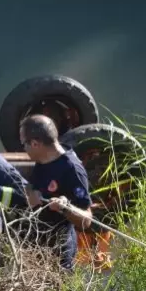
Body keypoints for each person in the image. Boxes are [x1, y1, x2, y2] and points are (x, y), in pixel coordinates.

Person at [19, 114, 93, 270]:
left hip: (59, 250)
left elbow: (87, 220)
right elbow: (33, 186)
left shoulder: (72, 170)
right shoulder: (43, 160)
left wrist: (65, 208)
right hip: (37, 243)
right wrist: (31, 192)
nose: (23, 149)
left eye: (23, 144)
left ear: (35, 144)